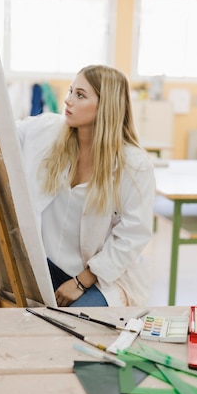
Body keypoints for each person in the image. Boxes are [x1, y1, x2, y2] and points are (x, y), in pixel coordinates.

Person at [16, 64, 155, 307]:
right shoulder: (50, 131)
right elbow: (6, 132)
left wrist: (81, 281)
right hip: (49, 266)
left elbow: (133, 235)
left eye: (80, 95)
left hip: (103, 277)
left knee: (73, 325)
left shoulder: (134, 165)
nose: (68, 101)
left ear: (106, 106)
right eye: (70, 91)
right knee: (8, 308)